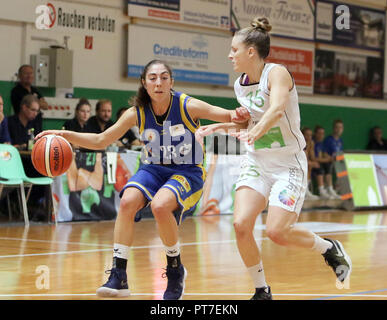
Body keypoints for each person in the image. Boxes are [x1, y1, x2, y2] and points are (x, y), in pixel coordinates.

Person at [35, 59, 246, 299]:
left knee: (160, 206)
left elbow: (232, 116)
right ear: (144, 83)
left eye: (164, 77)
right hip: (154, 169)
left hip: (188, 171)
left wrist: (239, 114)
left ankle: (175, 270)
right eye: (153, 78)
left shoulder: (188, 105)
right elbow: (100, 140)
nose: (159, 83)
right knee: (127, 201)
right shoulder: (135, 113)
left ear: (171, 82)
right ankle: (119, 274)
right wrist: (63, 134)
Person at [196, 17, 352, 300]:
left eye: (234, 49)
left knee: (278, 232)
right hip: (257, 162)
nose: (230, 55)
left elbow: (278, 108)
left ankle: (330, 249)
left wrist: (254, 130)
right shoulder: (240, 85)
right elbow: (248, 122)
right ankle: (261, 290)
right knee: (241, 224)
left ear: (251, 52)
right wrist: (220, 126)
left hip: (288, 164)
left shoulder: (277, 73)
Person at [313, 126, 336, 200]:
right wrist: (326, 160)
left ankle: (330, 189)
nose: (321, 135)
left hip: (318, 163)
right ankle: (321, 191)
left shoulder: (320, 144)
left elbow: (323, 153)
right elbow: (314, 158)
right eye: (319, 133)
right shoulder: (312, 143)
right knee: (320, 169)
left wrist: (330, 158)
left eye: (322, 134)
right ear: (315, 134)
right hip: (311, 164)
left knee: (328, 165)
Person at [322, 119, 344, 199]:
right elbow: (324, 153)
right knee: (330, 167)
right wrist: (331, 158)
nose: (338, 129)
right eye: (337, 127)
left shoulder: (340, 141)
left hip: (338, 161)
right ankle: (330, 189)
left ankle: (338, 190)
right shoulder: (328, 140)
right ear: (334, 128)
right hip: (329, 161)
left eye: (340, 128)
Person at [301, 127, 320, 200]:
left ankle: (306, 191)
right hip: (295, 163)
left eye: (310, 135)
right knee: (308, 165)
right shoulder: (300, 143)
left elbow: (312, 157)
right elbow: (300, 158)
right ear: (302, 135)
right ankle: (303, 191)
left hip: (305, 163)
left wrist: (314, 162)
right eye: (307, 135)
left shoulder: (311, 143)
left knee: (311, 166)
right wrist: (309, 162)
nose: (309, 137)